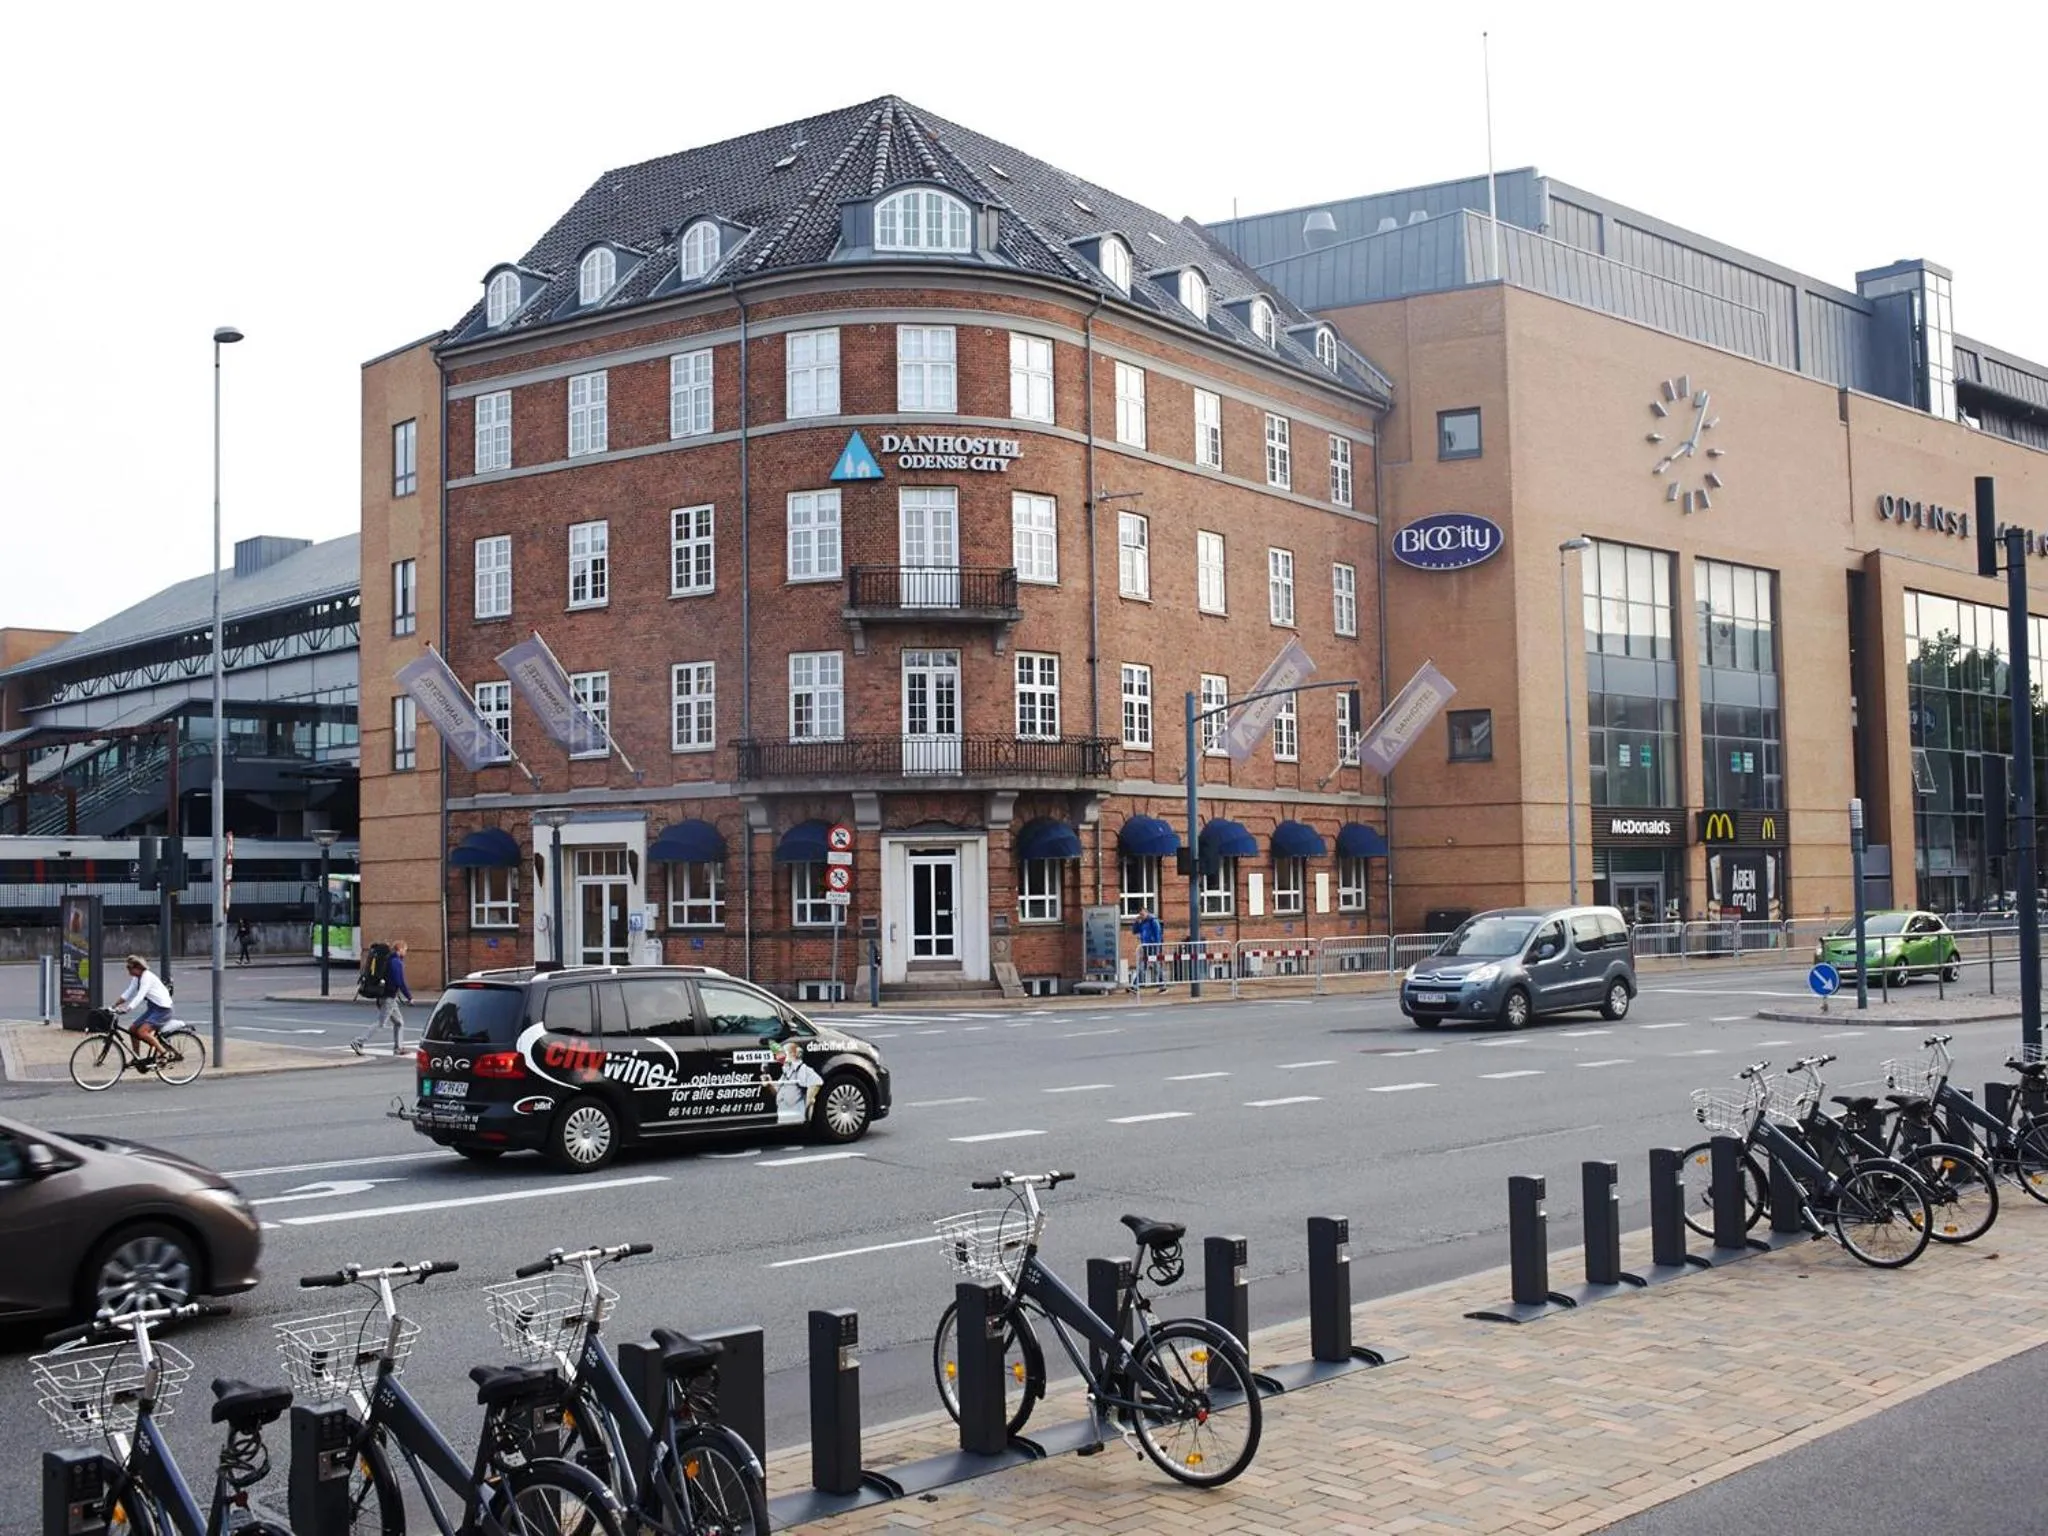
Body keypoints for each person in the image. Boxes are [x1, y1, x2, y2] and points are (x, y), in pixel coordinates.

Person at [350, 938, 413, 1056]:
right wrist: (409, 997)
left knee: (399, 1022)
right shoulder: (396, 962)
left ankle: (398, 1048)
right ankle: (358, 1042)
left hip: (386, 996)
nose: (406, 952)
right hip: (388, 997)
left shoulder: (389, 960)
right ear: (400, 949)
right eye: (405, 950)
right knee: (381, 1023)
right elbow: (400, 981)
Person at [112, 954, 173, 1059]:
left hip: (163, 1009)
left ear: (138, 967)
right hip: (153, 1008)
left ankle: (164, 1053)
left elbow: (140, 995)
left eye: (130, 968)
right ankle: (137, 1057)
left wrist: (128, 1008)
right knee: (132, 1029)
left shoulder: (146, 977)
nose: (129, 972)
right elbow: (128, 992)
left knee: (142, 1031)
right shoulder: (137, 978)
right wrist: (114, 1005)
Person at [1133, 907, 1164, 988]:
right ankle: (1136, 984)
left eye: (1142, 914)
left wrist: (1157, 945)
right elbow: (1135, 931)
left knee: (1156, 965)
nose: (1141, 916)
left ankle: (1162, 984)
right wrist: (1136, 922)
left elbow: (1158, 934)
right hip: (1145, 946)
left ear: (1147, 913)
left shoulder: (1153, 921)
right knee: (1143, 965)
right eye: (1140, 915)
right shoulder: (1142, 922)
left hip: (1153, 946)